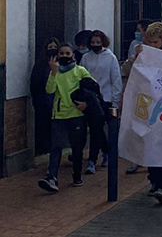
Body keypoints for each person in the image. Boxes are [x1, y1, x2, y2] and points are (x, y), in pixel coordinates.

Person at [38, 43, 92, 192]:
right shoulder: (54, 72)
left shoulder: (80, 71)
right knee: (56, 147)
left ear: (73, 55)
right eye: (61, 53)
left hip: (76, 115)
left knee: (77, 147)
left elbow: (91, 89)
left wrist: (86, 103)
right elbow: (49, 90)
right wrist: (53, 72)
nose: (64, 56)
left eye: (67, 53)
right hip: (59, 116)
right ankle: (52, 177)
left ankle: (76, 175)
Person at [135, 22, 162, 204]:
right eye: (149, 42)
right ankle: (154, 179)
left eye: (155, 42)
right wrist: (135, 59)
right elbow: (129, 72)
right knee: (149, 144)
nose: (152, 46)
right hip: (146, 107)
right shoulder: (141, 56)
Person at [80, 30, 123, 174]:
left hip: (106, 98)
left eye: (98, 42)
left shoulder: (110, 58)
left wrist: (115, 102)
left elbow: (116, 80)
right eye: (92, 43)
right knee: (95, 128)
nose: (95, 45)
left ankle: (92, 160)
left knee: (96, 128)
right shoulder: (86, 58)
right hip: (90, 99)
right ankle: (105, 151)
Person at [30, 38, 60, 155]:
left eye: (54, 47)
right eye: (50, 48)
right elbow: (35, 84)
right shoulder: (40, 65)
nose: (52, 50)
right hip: (43, 102)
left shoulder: (62, 64)